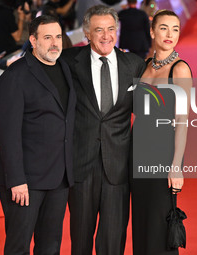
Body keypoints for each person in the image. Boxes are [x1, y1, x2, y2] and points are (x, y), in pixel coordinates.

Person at [61, 5, 145, 255]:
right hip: (81, 166)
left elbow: (147, 114)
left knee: (113, 241)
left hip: (118, 169)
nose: (106, 36)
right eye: (99, 30)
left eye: (111, 29)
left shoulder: (134, 65)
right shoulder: (68, 63)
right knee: (81, 240)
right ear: (86, 33)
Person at [0, 15, 76, 254]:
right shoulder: (15, 76)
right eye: (47, 37)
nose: (54, 43)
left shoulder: (64, 69)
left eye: (58, 37)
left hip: (59, 177)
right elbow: (7, 134)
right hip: (25, 182)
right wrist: (17, 180)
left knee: (50, 246)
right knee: (19, 246)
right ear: (33, 40)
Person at [131, 10, 192, 255]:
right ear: (152, 31)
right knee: (142, 221)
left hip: (163, 156)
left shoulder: (180, 70)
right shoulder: (144, 65)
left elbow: (182, 120)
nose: (170, 34)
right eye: (164, 28)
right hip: (137, 153)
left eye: (175, 28)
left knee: (159, 222)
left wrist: (176, 165)